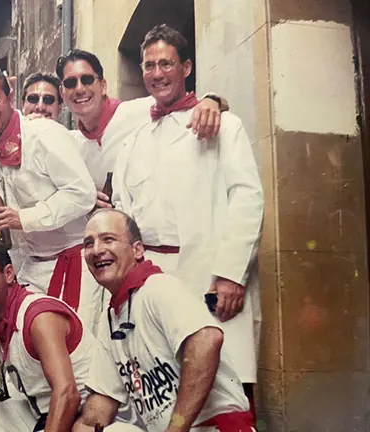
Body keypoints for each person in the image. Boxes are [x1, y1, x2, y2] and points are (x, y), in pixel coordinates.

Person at [114, 24, 264, 410]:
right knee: (163, 386)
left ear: (186, 67)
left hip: (206, 275)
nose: (157, 73)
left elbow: (246, 197)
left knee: (224, 390)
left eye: (166, 63)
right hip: (151, 280)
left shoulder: (221, 125)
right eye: (149, 65)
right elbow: (123, 213)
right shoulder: (133, 141)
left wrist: (231, 274)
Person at [0, 239, 142, 432]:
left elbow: (67, 393)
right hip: (41, 413)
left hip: (94, 417)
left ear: (9, 274)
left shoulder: (38, 316)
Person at [75, 209, 254, 431]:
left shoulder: (158, 287)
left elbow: (207, 339)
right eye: (88, 244)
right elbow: (98, 409)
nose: (97, 250)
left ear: (137, 250)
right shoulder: (110, 319)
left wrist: (175, 429)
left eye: (108, 239)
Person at [0, 64, 105, 333]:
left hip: (73, 265)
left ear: (9, 96)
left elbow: (82, 194)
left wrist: (23, 218)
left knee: (79, 354)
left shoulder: (45, 134)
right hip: (29, 269)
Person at [56, 49, 227, 208]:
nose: (79, 89)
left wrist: (212, 100)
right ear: (63, 93)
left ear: (102, 86)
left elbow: (191, 105)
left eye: (87, 80)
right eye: (71, 83)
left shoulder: (143, 110)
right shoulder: (72, 147)